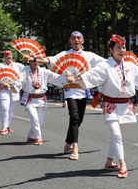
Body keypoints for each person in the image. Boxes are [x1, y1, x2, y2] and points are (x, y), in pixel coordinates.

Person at [67, 34, 138, 178]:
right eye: (118, 47)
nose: (122, 50)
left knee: (118, 136)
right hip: (110, 104)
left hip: (126, 105)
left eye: (123, 47)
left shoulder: (130, 66)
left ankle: (109, 161)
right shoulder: (105, 65)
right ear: (111, 50)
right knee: (116, 135)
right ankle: (123, 164)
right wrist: (75, 77)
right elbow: (91, 75)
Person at [23, 31, 104, 160]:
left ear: (83, 41)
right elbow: (50, 60)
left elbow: (104, 64)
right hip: (69, 90)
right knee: (74, 116)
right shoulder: (64, 55)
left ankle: (67, 143)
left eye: (79, 38)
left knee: (78, 120)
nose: (76, 40)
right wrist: (34, 59)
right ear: (70, 41)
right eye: (74, 38)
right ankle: (75, 147)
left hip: (82, 89)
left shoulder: (89, 56)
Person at [8, 59, 67, 145]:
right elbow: (19, 81)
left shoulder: (44, 71)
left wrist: (67, 79)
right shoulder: (24, 72)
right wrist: (11, 85)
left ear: (40, 61)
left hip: (41, 99)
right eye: (33, 60)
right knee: (34, 119)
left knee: (40, 121)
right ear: (29, 62)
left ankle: (31, 136)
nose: (35, 62)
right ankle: (39, 138)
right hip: (30, 99)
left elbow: (55, 77)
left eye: (37, 60)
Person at [0, 50, 25, 135]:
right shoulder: (0, 66)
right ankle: (4, 126)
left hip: (14, 89)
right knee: (5, 107)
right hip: (2, 88)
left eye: (10, 55)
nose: (9, 57)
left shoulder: (18, 65)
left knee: (11, 109)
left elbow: (25, 71)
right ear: (3, 57)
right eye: (6, 55)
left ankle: (7, 126)